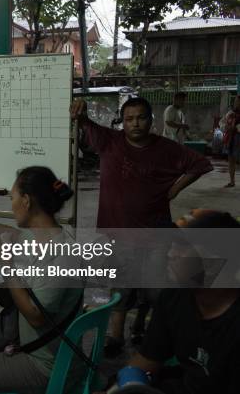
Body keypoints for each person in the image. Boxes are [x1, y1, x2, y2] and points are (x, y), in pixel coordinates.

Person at [70, 97, 213, 357]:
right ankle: (115, 336)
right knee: (120, 285)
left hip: (156, 232)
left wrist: (174, 190)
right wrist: (79, 108)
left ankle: (142, 329)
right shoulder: (109, 141)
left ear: (151, 120)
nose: (135, 123)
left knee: (154, 287)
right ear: (122, 122)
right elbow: (83, 123)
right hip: (119, 231)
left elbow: (201, 164)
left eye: (141, 117)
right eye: (129, 119)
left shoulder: (167, 148)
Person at [0, 166, 84, 394]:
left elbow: (36, 316)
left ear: (27, 201)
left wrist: (7, 266)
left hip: (47, 364)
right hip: (41, 349)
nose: (11, 205)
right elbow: (11, 235)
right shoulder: (46, 235)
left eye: (13, 198)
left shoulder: (61, 254)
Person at [117, 211, 240, 394]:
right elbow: (145, 361)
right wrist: (129, 383)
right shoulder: (174, 297)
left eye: (182, 248)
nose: (170, 254)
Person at [221, 95, 240, 187]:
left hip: (237, 138)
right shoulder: (231, 113)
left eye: (238, 101)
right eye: (235, 101)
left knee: (235, 159)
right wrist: (227, 127)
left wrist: (235, 128)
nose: (236, 103)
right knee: (231, 160)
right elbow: (223, 124)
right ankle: (232, 181)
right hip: (231, 139)